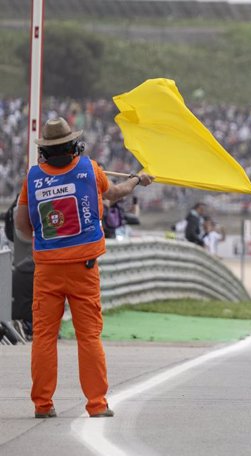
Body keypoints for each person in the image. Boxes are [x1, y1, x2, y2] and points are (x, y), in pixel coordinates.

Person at [14, 117, 154, 418]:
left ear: (45, 151)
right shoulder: (89, 169)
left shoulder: (33, 177)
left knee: (44, 337)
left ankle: (42, 404)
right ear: (73, 145)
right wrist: (137, 180)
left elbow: (22, 225)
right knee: (88, 336)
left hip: (47, 269)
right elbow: (114, 194)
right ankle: (97, 404)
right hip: (84, 268)